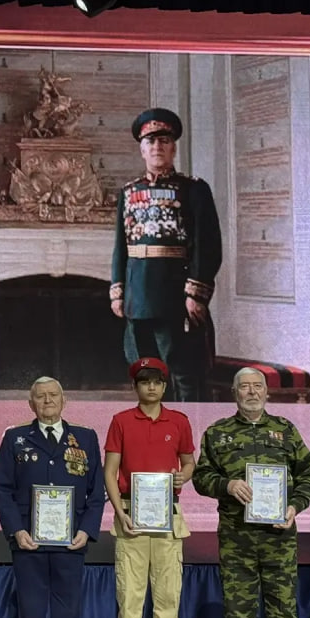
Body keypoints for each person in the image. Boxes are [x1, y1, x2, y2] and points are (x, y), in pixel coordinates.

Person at [193, 367, 310, 618]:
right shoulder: (217, 433)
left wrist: (294, 505)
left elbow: (309, 476)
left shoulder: (285, 430)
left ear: (267, 392)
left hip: (279, 537)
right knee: (239, 613)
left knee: (283, 612)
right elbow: (201, 478)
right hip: (237, 538)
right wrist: (227, 485)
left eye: (257, 386)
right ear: (234, 393)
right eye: (244, 387)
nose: (251, 392)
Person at [0, 377, 106, 618]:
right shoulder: (15, 438)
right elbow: (1, 489)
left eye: (53, 395)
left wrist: (87, 530)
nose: (47, 401)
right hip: (29, 542)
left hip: (71, 543)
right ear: (31, 404)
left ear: (64, 400)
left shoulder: (85, 438)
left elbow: (96, 491)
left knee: (66, 617)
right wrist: (16, 530)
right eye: (40, 396)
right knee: (32, 616)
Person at [109, 108, 222, 402]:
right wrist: (118, 291)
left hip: (176, 295)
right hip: (137, 295)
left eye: (164, 141)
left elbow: (208, 245)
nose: (157, 147)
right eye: (150, 141)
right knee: (146, 372)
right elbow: (121, 246)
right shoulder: (128, 192)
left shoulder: (194, 189)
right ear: (141, 149)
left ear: (173, 148)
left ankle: (188, 426)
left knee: (184, 372)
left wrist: (195, 294)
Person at [103, 357, 196, 618]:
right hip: (132, 515)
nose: (151, 387)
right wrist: (119, 511)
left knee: (168, 597)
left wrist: (184, 475)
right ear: (135, 387)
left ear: (165, 386)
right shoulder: (122, 421)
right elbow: (110, 471)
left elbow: (188, 461)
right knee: (130, 598)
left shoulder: (179, 420)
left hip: (167, 516)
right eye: (144, 382)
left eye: (157, 381)